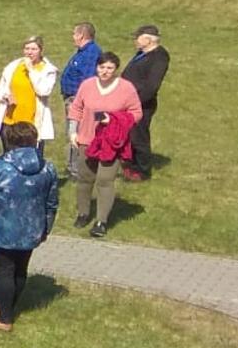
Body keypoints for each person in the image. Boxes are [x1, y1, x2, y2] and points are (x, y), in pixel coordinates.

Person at [0, 122, 59, 333]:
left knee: (4, 273)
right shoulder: (48, 168)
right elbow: (52, 203)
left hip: (1, 229)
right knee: (20, 270)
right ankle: (7, 306)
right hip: (32, 229)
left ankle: (5, 318)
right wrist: (46, 228)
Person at [66, 53, 143, 239]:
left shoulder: (126, 88)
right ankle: (83, 213)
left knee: (105, 180)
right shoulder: (87, 85)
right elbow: (76, 108)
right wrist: (73, 131)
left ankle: (101, 221)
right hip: (86, 139)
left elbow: (136, 113)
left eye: (109, 68)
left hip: (112, 143)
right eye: (102, 67)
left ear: (115, 69)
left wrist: (114, 120)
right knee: (85, 178)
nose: (105, 71)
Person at [0, 36, 58, 153]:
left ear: (41, 50)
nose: (29, 52)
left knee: (30, 159)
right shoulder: (14, 66)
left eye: (34, 49)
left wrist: (31, 70)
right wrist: (6, 96)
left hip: (31, 124)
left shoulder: (48, 70)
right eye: (27, 49)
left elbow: (43, 91)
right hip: (10, 121)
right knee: (9, 157)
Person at [120, 25, 170, 181]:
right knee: (130, 134)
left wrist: (135, 102)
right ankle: (132, 164)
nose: (135, 40)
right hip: (129, 101)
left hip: (142, 103)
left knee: (139, 135)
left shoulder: (159, 57)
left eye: (138, 37)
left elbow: (152, 85)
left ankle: (142, 170)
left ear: (148, 39)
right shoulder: (142, 53)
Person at [57, 23, 102, 142]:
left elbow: (88, 79)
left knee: (76, 133)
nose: (73, 37)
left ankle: (76, 160)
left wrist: (79, 101)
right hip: (73, 98)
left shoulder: (90, 53)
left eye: (74, 34)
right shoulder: (82, 52)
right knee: (72, 132)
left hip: (77, 100)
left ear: (81, 35)